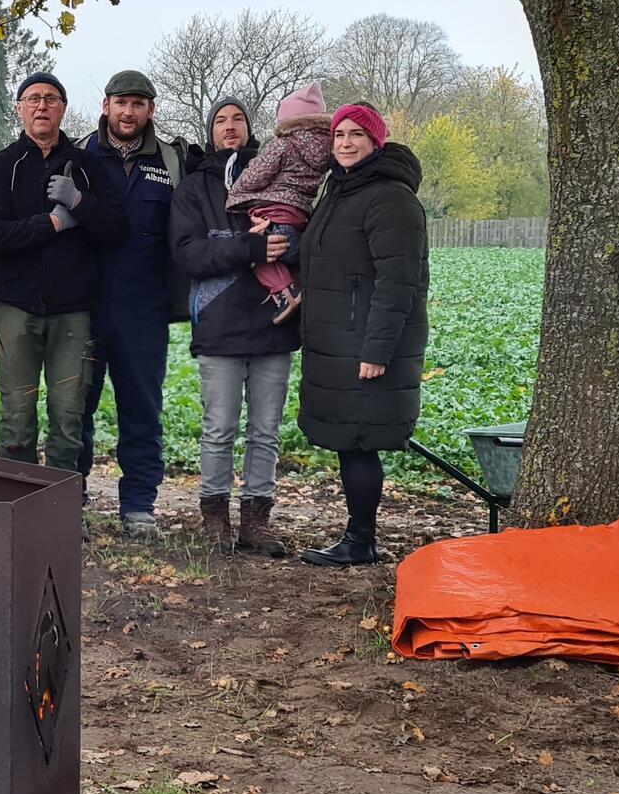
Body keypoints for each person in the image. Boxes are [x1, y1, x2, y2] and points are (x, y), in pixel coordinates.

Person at [297, 103, 428, 568]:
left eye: (357, 134)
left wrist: (377, 350)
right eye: (339, 135)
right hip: (339, 341)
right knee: (351, 441)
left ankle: (361, 541)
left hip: (365, 346)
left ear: (377, 141)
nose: (346, 143)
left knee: (359, 442)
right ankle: (357, 535)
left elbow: (399, 282)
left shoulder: (390, 197)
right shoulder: (341, 191)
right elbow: (331, 257)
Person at [0, 71, 125, 473]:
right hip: (14, 308)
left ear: (62, 108)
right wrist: (54, 224)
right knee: (17, 416)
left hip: (74, 311)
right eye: (33, 99)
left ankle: (60, 510)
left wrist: (80, 203)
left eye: (50, 98)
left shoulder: (89, 167)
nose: (41, 105)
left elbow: (115, 229)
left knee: (68, 418)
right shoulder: (1, 167)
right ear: (20, 109)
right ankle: (20, 502)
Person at [169, 96, 298, 553]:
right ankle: (215, 519)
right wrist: (250, 249)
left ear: (249, 128)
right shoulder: (192, 189)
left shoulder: (278, 180)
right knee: (219, 428)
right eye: (220, 121)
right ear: (210, 131)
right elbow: (189, 254)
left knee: (266, 431)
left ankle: (257, 521)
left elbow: (302, 234)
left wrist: (288, 245)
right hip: (219, 327)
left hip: (274, 324)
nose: (229, 127)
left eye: (237, 119)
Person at [77, 69, 190, 535]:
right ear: (106, 106)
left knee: (142, 408)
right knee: (74, 407)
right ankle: (70, 500)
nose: (129, 112)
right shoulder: (78, 154)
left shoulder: (172, 160)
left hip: (145, 308)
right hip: (82, 306)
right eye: (121, 103)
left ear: (151, 111)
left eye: (139, 104)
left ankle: (139, 506)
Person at [227, 83, 330, 323]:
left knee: (258, 251)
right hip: (300, 214)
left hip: (275, 210)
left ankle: (285, 292)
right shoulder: (328, 147)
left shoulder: (283, 144)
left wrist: (237, 193)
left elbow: (256, 175)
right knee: (284, 251)